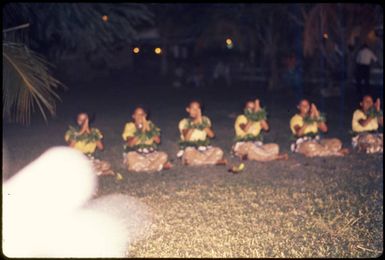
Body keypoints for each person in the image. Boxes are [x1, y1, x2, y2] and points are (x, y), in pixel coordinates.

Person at [122, 107, 172, 172]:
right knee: (130, 157)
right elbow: (131, 144)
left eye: (142, 114)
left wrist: (149, 129)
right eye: (137, 114)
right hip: (135, 153)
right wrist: (141, 131)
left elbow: (158, 141)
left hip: (149, 154)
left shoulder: (150, 125)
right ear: (133, 116)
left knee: (164, 155)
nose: (140, 117)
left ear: (145, 115)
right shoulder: (129, 126)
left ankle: (143, 166)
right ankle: (158, 166)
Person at [177, 100, 227, 166]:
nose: (195, 111)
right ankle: (213, 162)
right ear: (188, 109)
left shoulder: (205, 120)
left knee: (219, 151)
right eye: (193, 109)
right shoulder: (184, 122)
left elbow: (212, 135)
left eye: (197, 109)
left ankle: (196, 161)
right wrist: (194, 123)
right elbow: (186, 138)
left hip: (203, 149)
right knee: (189, 152)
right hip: (190, 149)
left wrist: (201, 123)